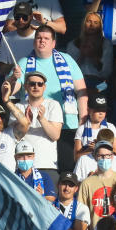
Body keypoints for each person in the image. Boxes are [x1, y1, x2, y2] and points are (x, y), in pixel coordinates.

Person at [22, 25, 89, 171]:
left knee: (67, 172)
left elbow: (81, 92)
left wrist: (83, 119)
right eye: (38, 38)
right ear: (34, 42)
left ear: (53, 43)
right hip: (38, 129)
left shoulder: (67, 60)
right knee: (42, 171)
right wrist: (12, 81)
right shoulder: (23, 63)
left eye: (46, 38)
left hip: (67, 125)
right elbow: (12, 88)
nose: (42, 41)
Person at [65, 12, 113, 81]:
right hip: (78, 81)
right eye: (89, 21)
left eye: (96, 22)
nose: (92, 25)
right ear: (84, 24)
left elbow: (106, 73)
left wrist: (93, 56)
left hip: (100, 82)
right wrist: (82, 55)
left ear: (100, 26)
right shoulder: (72, 44)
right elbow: (69, 71)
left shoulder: (106, 44)